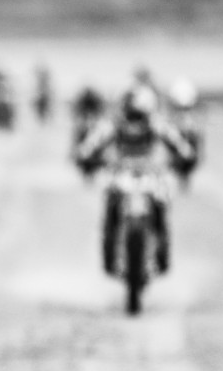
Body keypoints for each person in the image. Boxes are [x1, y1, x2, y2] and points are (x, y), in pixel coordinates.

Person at [74, 85, 195, 275]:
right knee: (111, 204)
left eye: (138, 114)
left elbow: (177, 142)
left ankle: (161, 252)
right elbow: (93, 142)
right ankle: (110, 254)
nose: (134, 119)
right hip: (121, 174)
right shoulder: (115, 124)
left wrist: (185, 154)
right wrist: (85, 154)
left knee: (161, 204)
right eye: (132, 113)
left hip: (150, 175)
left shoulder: (155, 123)